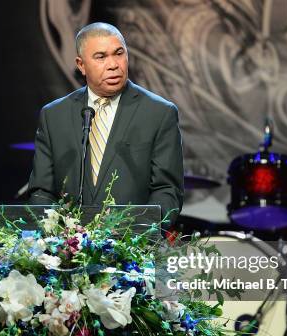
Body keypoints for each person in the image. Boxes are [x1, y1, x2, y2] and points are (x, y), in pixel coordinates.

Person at [28, 22, 184, 226]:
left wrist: (137, 236)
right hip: (68, 251)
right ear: (81, 65)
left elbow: (167, 192)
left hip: (132, 250)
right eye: (101, 57)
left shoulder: (159, 113)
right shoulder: (54, 115)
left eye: (119, 53)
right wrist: (56, 238)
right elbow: (42, 191)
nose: (113, 64)